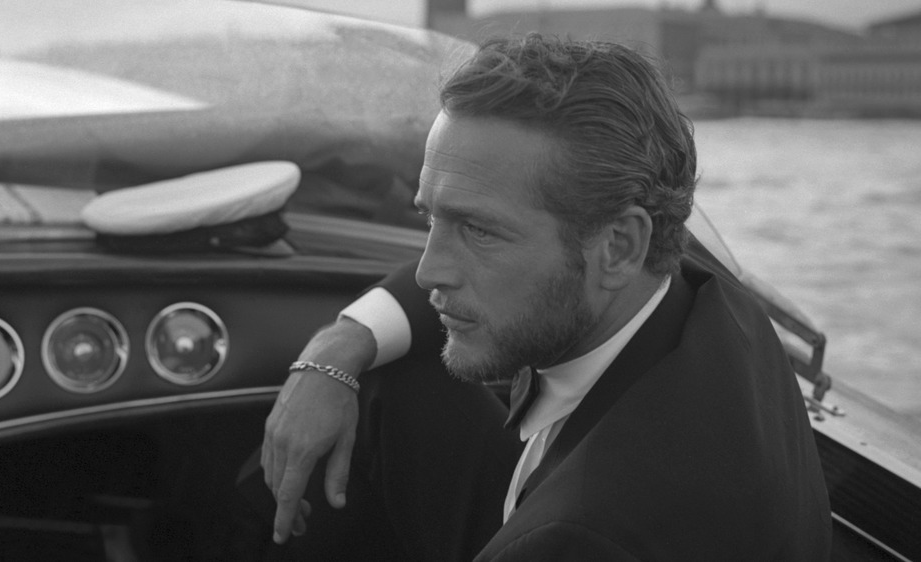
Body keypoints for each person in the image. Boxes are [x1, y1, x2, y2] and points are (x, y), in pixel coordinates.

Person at [248, 34, 832, 560]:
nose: (427, 272)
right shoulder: (712, 299)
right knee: (382, 376)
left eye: (478, 230)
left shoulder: (586, 534)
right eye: (431, 219)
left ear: (620, 246)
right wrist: (339, 348)